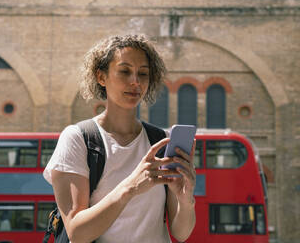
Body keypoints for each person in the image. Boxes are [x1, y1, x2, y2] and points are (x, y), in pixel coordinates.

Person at [43, 34, 196, 243]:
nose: (136, 82)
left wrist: (185, 200)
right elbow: (77, 233)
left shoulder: (160, 140)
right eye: (125, 71)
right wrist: (130, 188)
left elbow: (181, 233)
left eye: (143, 74)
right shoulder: (78, 138)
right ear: (101, 77)